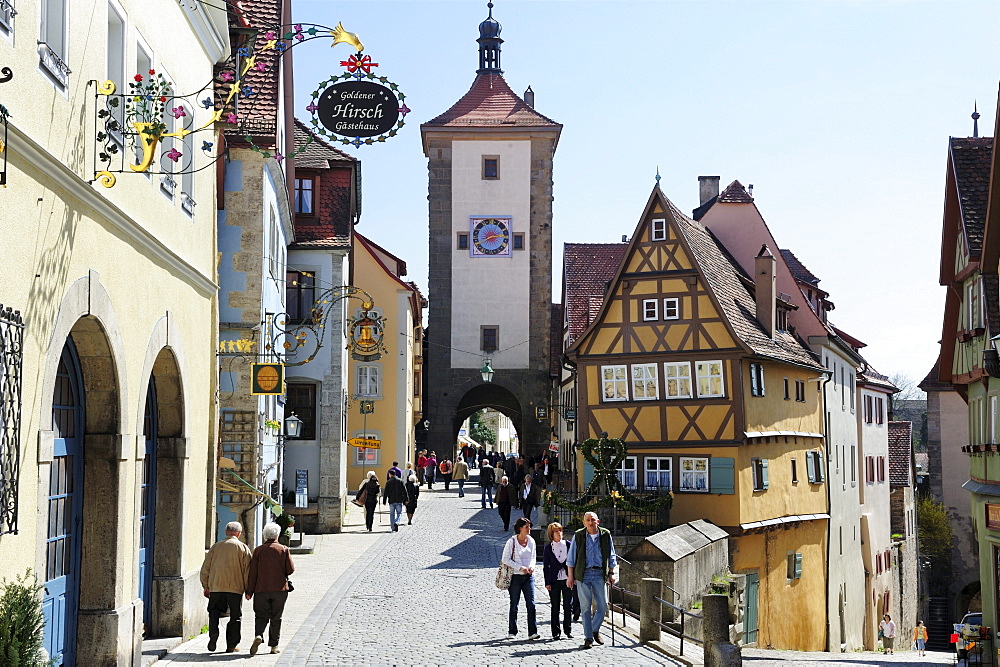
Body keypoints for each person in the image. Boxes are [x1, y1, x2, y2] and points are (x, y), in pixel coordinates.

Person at [567, 511, 618, 649]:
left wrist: (611, 573)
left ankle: (594, 629)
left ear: (598, 521)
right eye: (588, 520)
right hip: (583, 574)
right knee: (585, 608)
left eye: (593, 520)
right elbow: (571, 558)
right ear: (584, 522)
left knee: (603, 605)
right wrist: (570, 576)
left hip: (600, 573)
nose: (590, 522)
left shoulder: (605, 534)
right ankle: (588, 638)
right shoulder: (579, 535)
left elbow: (611, 554)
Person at [200, 521, 253, 653]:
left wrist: (206, 585)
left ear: (226, 532)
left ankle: (213, 636)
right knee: (235, 616)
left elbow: (205, 568)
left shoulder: (216, 547)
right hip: (235, 588)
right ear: (239, 534)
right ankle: (231, 645)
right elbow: (248, 571)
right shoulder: (243, 548)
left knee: (214, 612)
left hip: (216, 587)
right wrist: (248, 589)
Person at [246, 522, 295, 656]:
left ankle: (259, 635)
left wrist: (249, 591)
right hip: (279, 589)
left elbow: (253, 573)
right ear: (277, 535)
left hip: (261, 589)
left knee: (261, 615)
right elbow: (290, 570)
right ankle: (274, 645)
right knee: (276, 617)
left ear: (265, 536)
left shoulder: (258, 550)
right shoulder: (283, 549)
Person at [502, 517, 539, 640]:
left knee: (531, 604)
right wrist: (520, 567)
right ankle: (512, 631)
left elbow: (533, 557)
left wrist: (531, 567)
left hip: (528, 577)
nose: (529, 529)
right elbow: (505, 559)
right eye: (527, 527)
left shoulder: (531, 541)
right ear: (520, 528)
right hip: (515, 577)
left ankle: (532, 632)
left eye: (529, 526)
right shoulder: (512, 542)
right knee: (514, 604)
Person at [543, 522, 574, 640]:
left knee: (568, 605)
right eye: (556, 531)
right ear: (551, 534)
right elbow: (546, 566)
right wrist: (547, 582)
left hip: (567, 579)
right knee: (555, 606)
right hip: (554, 580)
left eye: (560, 530)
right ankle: (555, 631)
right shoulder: (548, 548)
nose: (559, 533)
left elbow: (573, 562)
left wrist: (574, 578)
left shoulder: (568, 545)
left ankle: (568, 630)